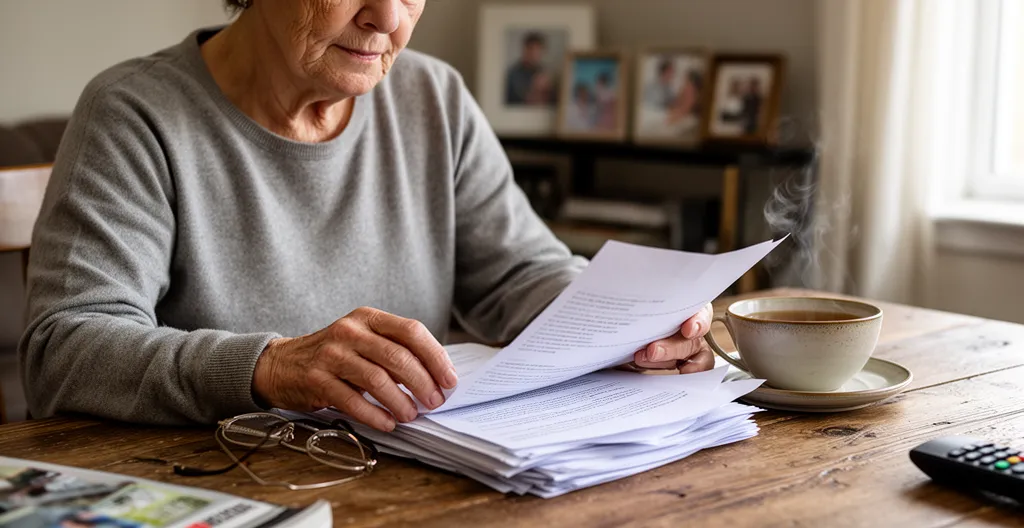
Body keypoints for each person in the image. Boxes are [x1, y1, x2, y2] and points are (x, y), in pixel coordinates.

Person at [20, 0, 716, 432]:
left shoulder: (432, 97)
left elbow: (519, 272)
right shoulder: (135, 115)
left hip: (413, 482)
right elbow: (66, 350)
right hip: (223, 487)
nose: (388, 17)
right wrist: (267, 367)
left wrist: (627, 321)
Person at [505, 32, 555, 106]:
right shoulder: (513, 73)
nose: (534, 54)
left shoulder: (544, 71)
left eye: (538, 50)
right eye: (531, 49)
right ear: (525, 50)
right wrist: (535, 88)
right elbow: (518, 103)